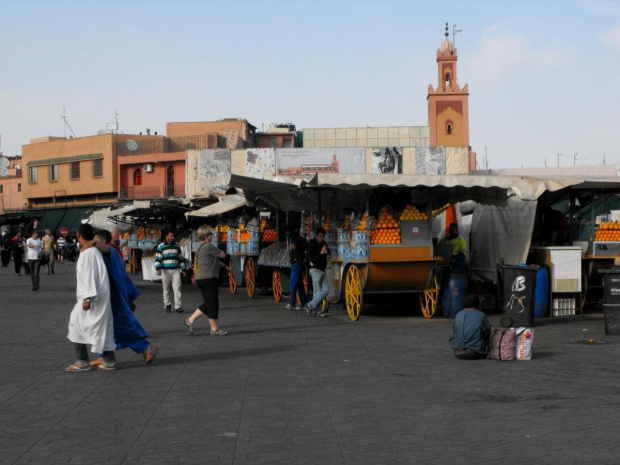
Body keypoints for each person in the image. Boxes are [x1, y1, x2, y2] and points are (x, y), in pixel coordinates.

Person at [90, 230, 157, 366]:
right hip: (114, 296)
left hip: (113, 297)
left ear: (103, 242)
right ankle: (104, 355)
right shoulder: (110, 253)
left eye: (96, 240)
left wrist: (88, 242)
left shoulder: (110, 251)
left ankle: (145, 348)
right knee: (109, 328)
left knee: (119, 327)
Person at [65, 224, 116, 372]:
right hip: (99, 297)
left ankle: (82, 360)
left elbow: (89, 276)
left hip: (92, 297)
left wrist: (87, 298)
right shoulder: (92, 251)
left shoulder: (88, 253)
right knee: (102, 329)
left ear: (79, 236)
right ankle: (108, 360)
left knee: (75, 324)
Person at [184, 225, 229, 336]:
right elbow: (222, 255)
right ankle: (212, 328)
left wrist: (225, 267)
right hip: (208, 279)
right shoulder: (209, 246)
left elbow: (213, 260)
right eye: (210, 234)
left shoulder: (200, 247)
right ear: (205, 236)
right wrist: (221, 250)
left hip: (201, 279)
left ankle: (192, 321)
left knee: (208, 303)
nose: (211, 236)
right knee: (212, 303)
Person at [449, 294, 492, 360]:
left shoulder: (458, 314)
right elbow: (488, 330)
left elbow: (455, 330)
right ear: (477, 303)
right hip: (474, 352)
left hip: (457, 351)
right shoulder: (481, 315)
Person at [155, 229, 187, 313]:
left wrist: (183, 269)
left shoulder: (177, 246)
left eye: (173, 236)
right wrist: (158, 268)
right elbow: (158, 258)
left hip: (176, 270)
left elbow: (181, 258)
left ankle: (178, 306)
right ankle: (167, 305)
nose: (172, 237)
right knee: (166, 288)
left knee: (177, 287)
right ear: (166, 236)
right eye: (171, 236)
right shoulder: (161, 246)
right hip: (165, 270)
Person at [305, 227, 330, 317]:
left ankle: (310, 305)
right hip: (315, 269)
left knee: (326, 290)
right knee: (317, 291)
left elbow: (327, 253)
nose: (321, 238)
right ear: (316, 236)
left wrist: (327, 253)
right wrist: (321, 253)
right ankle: (316, 310)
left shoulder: (324, 243)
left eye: (323, 237)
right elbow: (312, 259)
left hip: (322, 269)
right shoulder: (312, 244)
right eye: (320, 236)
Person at [284, 224, 308, 311]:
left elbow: (306, 247)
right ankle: (304, 302)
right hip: (296, 262)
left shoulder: (297, 239)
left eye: (287, 231)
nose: (287, 233)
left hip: (297, 262)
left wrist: (300, 258)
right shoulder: (294, 239)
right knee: (299, 284)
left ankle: (292, 303)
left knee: (293, 282)